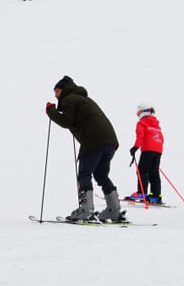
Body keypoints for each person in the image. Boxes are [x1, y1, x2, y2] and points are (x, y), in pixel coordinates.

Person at [45, 76, 125, 223]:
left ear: (63, 89)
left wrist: (51, 111)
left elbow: (65, 121)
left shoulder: (70, 99)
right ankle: (114, 210)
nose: (55, 95)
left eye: (56, 91)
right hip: (110, 141)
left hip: (94, 140)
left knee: (84, 173)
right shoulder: (82, 99)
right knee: (101, 175)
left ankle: (86, 210)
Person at [128, 103, 164, 204]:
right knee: (154, 172)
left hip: (148, 149)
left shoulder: (142, 123)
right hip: (158, 150)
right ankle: (156, 196)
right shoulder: (156, 125)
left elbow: (140, 136)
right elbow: (161, 138)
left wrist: (135, 147)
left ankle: (141, 193)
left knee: (142, 171)